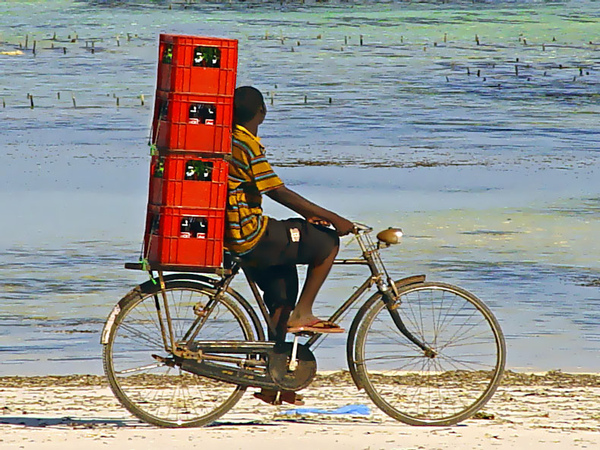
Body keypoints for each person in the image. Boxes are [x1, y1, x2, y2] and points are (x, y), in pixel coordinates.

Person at [224, 87, 354, 404]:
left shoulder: (227, 138)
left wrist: (313, 216)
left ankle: (276, 382)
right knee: (325, 241)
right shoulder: (245, 143)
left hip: (234, 234)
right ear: (261, 114)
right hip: (249, 233)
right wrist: (329, 217)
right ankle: (305, 313)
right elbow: (277, 191)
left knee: (282, 294)